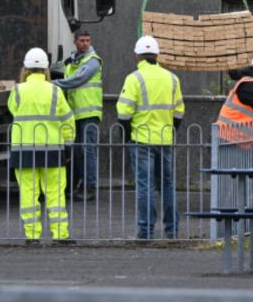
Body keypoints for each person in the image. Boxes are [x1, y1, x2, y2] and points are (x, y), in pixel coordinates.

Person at [117, 35, 184, 240]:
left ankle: (145, 232)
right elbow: (179, 112)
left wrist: (127, 134)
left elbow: (123, 113)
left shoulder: (134, 78)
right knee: (167, 185)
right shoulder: (172, 78)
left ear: (137, 56)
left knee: (145, 186)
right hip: (164, 139)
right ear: (157, 55)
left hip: (141, 139)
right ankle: (172, 231)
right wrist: (169, 129)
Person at [8, 47, 75, 244]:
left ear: (25, 69)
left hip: (24, 150)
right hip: (52, 150)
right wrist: (68, 146)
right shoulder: (55, 91)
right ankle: (60, 235)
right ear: (46, 69)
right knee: (55, 193)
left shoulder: (18, 91)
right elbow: (68, 121)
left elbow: (13, 110)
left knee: (28, 194)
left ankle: (32, 236)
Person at [54, 28, 102, 200]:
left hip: (89, 112)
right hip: (75, 113)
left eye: (88, 40)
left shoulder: (93, 61)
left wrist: (53, 84)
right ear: (75, 42)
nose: (85, 43)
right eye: (82, 40)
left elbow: (76, 80)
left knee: (88, 150)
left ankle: (90, 187)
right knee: (79, 152)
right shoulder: (72, 61)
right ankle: (81, 184)